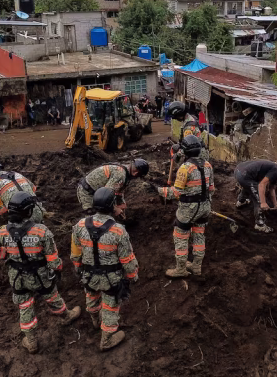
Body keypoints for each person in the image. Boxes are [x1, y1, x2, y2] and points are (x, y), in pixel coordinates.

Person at [0, 192, 81, 354]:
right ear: (28, 211)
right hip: (40, 276)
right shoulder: (41, 231)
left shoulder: (1, 232)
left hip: (17, 277)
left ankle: (31, 341)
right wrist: (58, 270)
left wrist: (5, 254)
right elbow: (53, 260)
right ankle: (66, 316)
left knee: (25, 306)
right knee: (52, 297)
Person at [71, 187, 139, 351]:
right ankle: (107, 339)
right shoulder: (118, 230)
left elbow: (75, 253)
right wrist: (133, 275)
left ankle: (95, 320)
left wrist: (78, 269)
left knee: (92, 297)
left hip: (89, 275)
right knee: (110, 307)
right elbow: (127, 259)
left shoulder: (80, 225)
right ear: (112, 205)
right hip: (111, 279)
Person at [153, 135, 215, 277]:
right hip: (205, 207)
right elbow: (211, 189)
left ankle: (180, 269)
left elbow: (175, 193)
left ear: (185, 151)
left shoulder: (185, 168)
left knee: (181, 236)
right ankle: (196, 266)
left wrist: (159, 190)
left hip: (188, 209)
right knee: (199, 235)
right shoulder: (207, 165)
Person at [234, 159, 277, 233]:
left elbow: (272, 188)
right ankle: (260, 225)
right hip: (244, 175)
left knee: (250, 186)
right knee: (259, 199)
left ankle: (241, 201)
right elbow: (262, 184)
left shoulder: (276, 169)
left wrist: (275, 204)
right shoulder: (276, 170)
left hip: (238, 170)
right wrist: (263, 202)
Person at [76, 159, 149, 214]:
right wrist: (115, 209)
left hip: (95, 190)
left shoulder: (124, 172)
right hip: (87, 192)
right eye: (137, 174)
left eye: (138, 175)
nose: (135, 175)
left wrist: (121, 204)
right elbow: (106, 196)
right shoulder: (121, 175)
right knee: (94, 217)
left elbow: (118, 191)